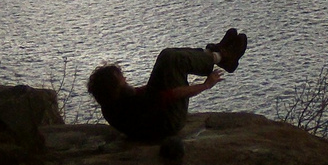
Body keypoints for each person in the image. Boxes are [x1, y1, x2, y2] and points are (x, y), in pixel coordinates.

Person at [86, 29, 248, 143]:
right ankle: (221, 56)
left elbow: (142, 93)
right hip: (169, 123)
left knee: (166, 57)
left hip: (158, 122)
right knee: (170, 58)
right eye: (121, 77)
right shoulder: (132, 105)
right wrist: (206, 85)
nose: (125, 77)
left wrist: (159, 81)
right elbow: (174, 94)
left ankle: (215, 53)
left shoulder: (112, 104)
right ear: (114, 86)